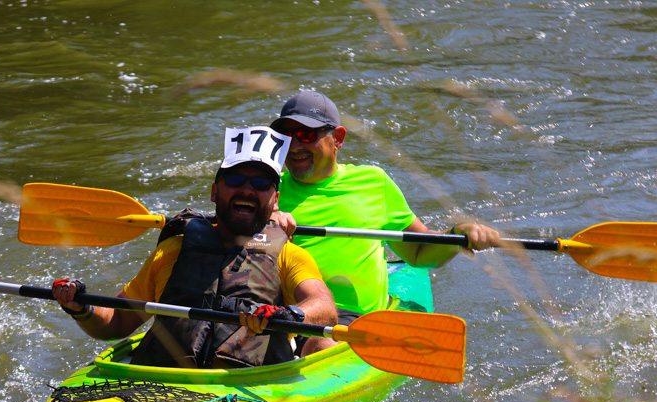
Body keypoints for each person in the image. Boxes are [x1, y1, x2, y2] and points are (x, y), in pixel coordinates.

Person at [53, 126, 337, 369]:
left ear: (274, 200)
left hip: (249, 387)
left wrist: (289, 315)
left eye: (261, 183)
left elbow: (324, 307)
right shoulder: (173, 250)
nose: (247, 189)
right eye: (236, 180)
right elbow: (117, 321)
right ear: (215, 192)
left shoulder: (288, 254)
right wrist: (81, 307)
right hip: (161, 383)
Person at [269, 90, 501, 319]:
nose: (295, 146)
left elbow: (420, 254)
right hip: (294, 318)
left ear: (337, 139)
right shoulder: (266, 189)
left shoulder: (374, 182)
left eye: (307, 135)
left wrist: (457, 235)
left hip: (362, 322)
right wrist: (266, 225)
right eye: (286, 137)